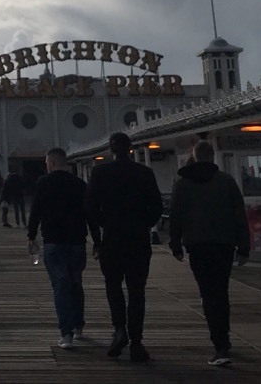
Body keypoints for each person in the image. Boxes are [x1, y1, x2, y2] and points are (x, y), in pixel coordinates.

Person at [169, 140, 250, 367]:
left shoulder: (183, 184)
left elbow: (175, 216)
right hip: (224, 245)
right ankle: (223, 340)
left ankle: (220, 345)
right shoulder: (227, 182)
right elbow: (239, 216)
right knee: (221, 292)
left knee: (208, 292)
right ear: (213, 156)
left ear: (194, 156)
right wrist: (244, 247)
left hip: (197, 246)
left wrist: (175, 245)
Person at [85, 131, 162, 363]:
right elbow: (157, 207)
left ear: (111, 150)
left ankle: (119, 329)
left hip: (112, 238)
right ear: (130, 149)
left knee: (113, 286)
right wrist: (143, 224)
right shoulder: (144, 173)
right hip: (138, 239)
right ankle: (137, 341)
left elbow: (89, 208)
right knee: (137, 290)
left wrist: (99, 236)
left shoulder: (100, 173)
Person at [26, 147, 88, 350]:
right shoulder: (79, 184)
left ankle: (66, 334)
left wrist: (31, 235)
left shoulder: (44, 183)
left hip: (53, 241)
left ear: (51, 163)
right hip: (78, 241)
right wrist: (97, 240)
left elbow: (36, 210)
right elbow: (90, 214)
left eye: (46, 163)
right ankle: (78, 326)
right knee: (76, 284)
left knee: (61, 286)